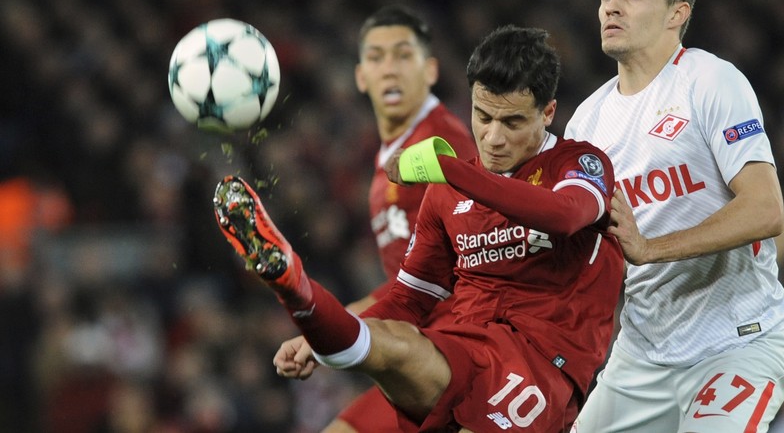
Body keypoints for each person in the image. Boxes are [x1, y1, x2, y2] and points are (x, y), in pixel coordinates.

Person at [214, 25, 624, 432]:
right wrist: (321, 339)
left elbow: (565, 215)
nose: (494, 137)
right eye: (483, 117)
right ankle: (297, 290)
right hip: (460, 348)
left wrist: (447, 170)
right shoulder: (447, 193)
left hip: (540, 367)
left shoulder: (579, 164)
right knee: (398, 344)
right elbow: (408, 300)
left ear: (548, 113)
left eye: (512, 122)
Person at [564, 0, 784, 432]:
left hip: (737, 343)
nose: (611, 5)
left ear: (677, 12)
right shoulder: (587, 121)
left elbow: (765, 210)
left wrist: (650, 249)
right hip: (642, 355)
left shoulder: (710, 82)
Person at [328, 5, 477, 432]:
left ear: (430, 69)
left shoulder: (441, 145)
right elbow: (411, 273)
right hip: (419, 343)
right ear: (360, 76)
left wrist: (342, 321)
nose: (389, 69)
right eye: (376, 58)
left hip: (459, 351)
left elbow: (465, 262)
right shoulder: (393, 150)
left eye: (402, 55)